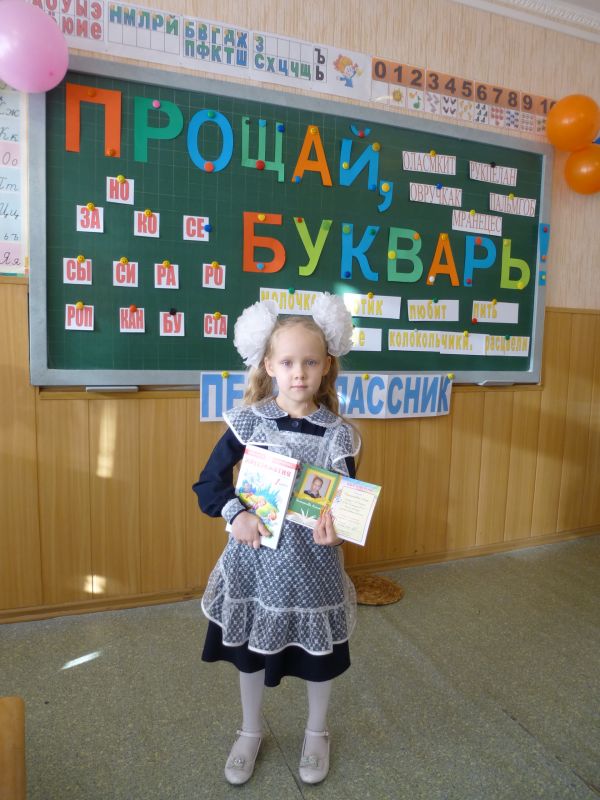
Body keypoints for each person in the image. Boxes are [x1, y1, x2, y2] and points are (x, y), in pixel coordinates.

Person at [193, 293, 360, 786]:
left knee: (318, 658)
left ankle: (317, 732)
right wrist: (237, 515)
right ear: (269, 366)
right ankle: (250, 730)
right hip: (254, 564)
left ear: (326, 366)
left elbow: (346, 503)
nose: (299, 373)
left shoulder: (339, 434)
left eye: (310, 362)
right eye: (287, 362)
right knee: (247, 650)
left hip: (313, 570)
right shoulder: (249, 422)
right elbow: (209, 484)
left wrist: (338, 530)